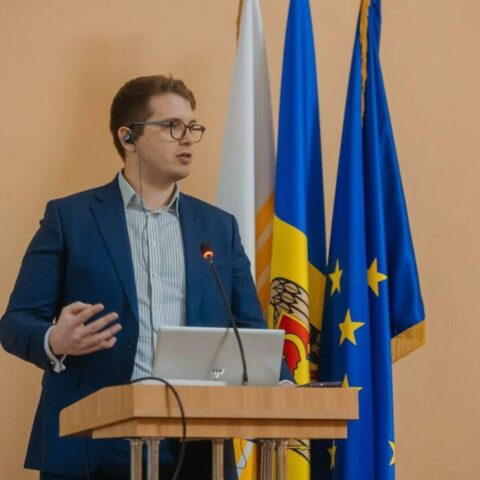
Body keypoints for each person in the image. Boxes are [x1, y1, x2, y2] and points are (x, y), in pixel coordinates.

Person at [0, 75, 293, 480]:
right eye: (172, 126)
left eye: (192, 127)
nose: (187, 139)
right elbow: (16, 322)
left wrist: (283, 383)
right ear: (129, 137)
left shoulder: (217, 227)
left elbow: (248, 330)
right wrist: (55, 340)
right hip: (93, 444)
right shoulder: (71, 218)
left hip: (196, 447)